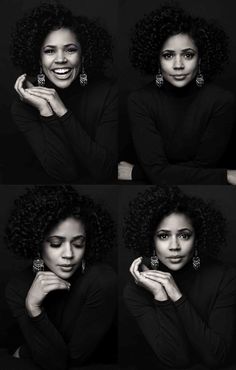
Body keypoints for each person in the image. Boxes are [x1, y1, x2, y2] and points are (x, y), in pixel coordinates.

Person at [1, 185, 117, 370]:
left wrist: (26, 352)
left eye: (78, 244)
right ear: (38, 244)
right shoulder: (17, 287)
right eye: (56, 244)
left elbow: (68, 361)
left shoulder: (101, 280)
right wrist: (33, 307)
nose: (69, 254)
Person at [118, 4, 236, 184]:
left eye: (188, 55)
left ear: (201, 58)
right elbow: (158, 172)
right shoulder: (139, 100)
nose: (178, 65)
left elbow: (203, 168)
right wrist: (225, 176)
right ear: (156, 59)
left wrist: (140, 173)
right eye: (168, 55)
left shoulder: (222, 101)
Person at [123, 186, 236, 369]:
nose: (174, 246)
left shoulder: (226, 278)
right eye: (163, 236)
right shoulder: (136, 290)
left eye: (184, 235)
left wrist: (176, 295)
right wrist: (161, 296)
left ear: (197, 238)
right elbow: (177, 360)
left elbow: (216, 358)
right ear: (150, 240)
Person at [9, 2, 117, 184]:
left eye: (70, 49)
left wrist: (61, 110)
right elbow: (66, 174)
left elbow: (104, 171)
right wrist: (46, 110)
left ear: (83, 55)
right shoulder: (23, 107)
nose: (60, 59)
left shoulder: (108, 93)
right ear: (38, 58)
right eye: (50, 51)